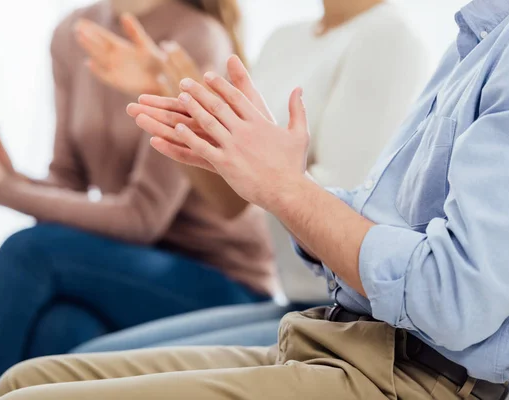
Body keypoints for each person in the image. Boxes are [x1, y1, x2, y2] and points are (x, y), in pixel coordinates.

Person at [0, 0, 509, 398]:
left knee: (32, 271)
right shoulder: (475, 37)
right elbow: (260, 198)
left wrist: (282, 184)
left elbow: (451, 295)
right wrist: (233, 154)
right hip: (339, 319)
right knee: (37, 367)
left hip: (382, 341)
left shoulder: (477, 44)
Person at [0, 1, 276, 399]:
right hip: (118, 270)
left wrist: (5, 189)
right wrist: (7, 176)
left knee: (27, 253)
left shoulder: (196, 38)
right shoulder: (72, 32)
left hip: (218, 283)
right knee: (62, 330)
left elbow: (143, 215)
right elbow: (68, 182)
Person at [73, 0, 430, 353]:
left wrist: (267, 171)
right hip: (297, 303)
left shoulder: (389, 37)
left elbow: (341, 208)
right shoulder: (284, 40)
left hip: (349, 318)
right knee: (70, 339)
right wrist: (178, 105)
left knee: (84, 363)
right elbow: (232, 202)